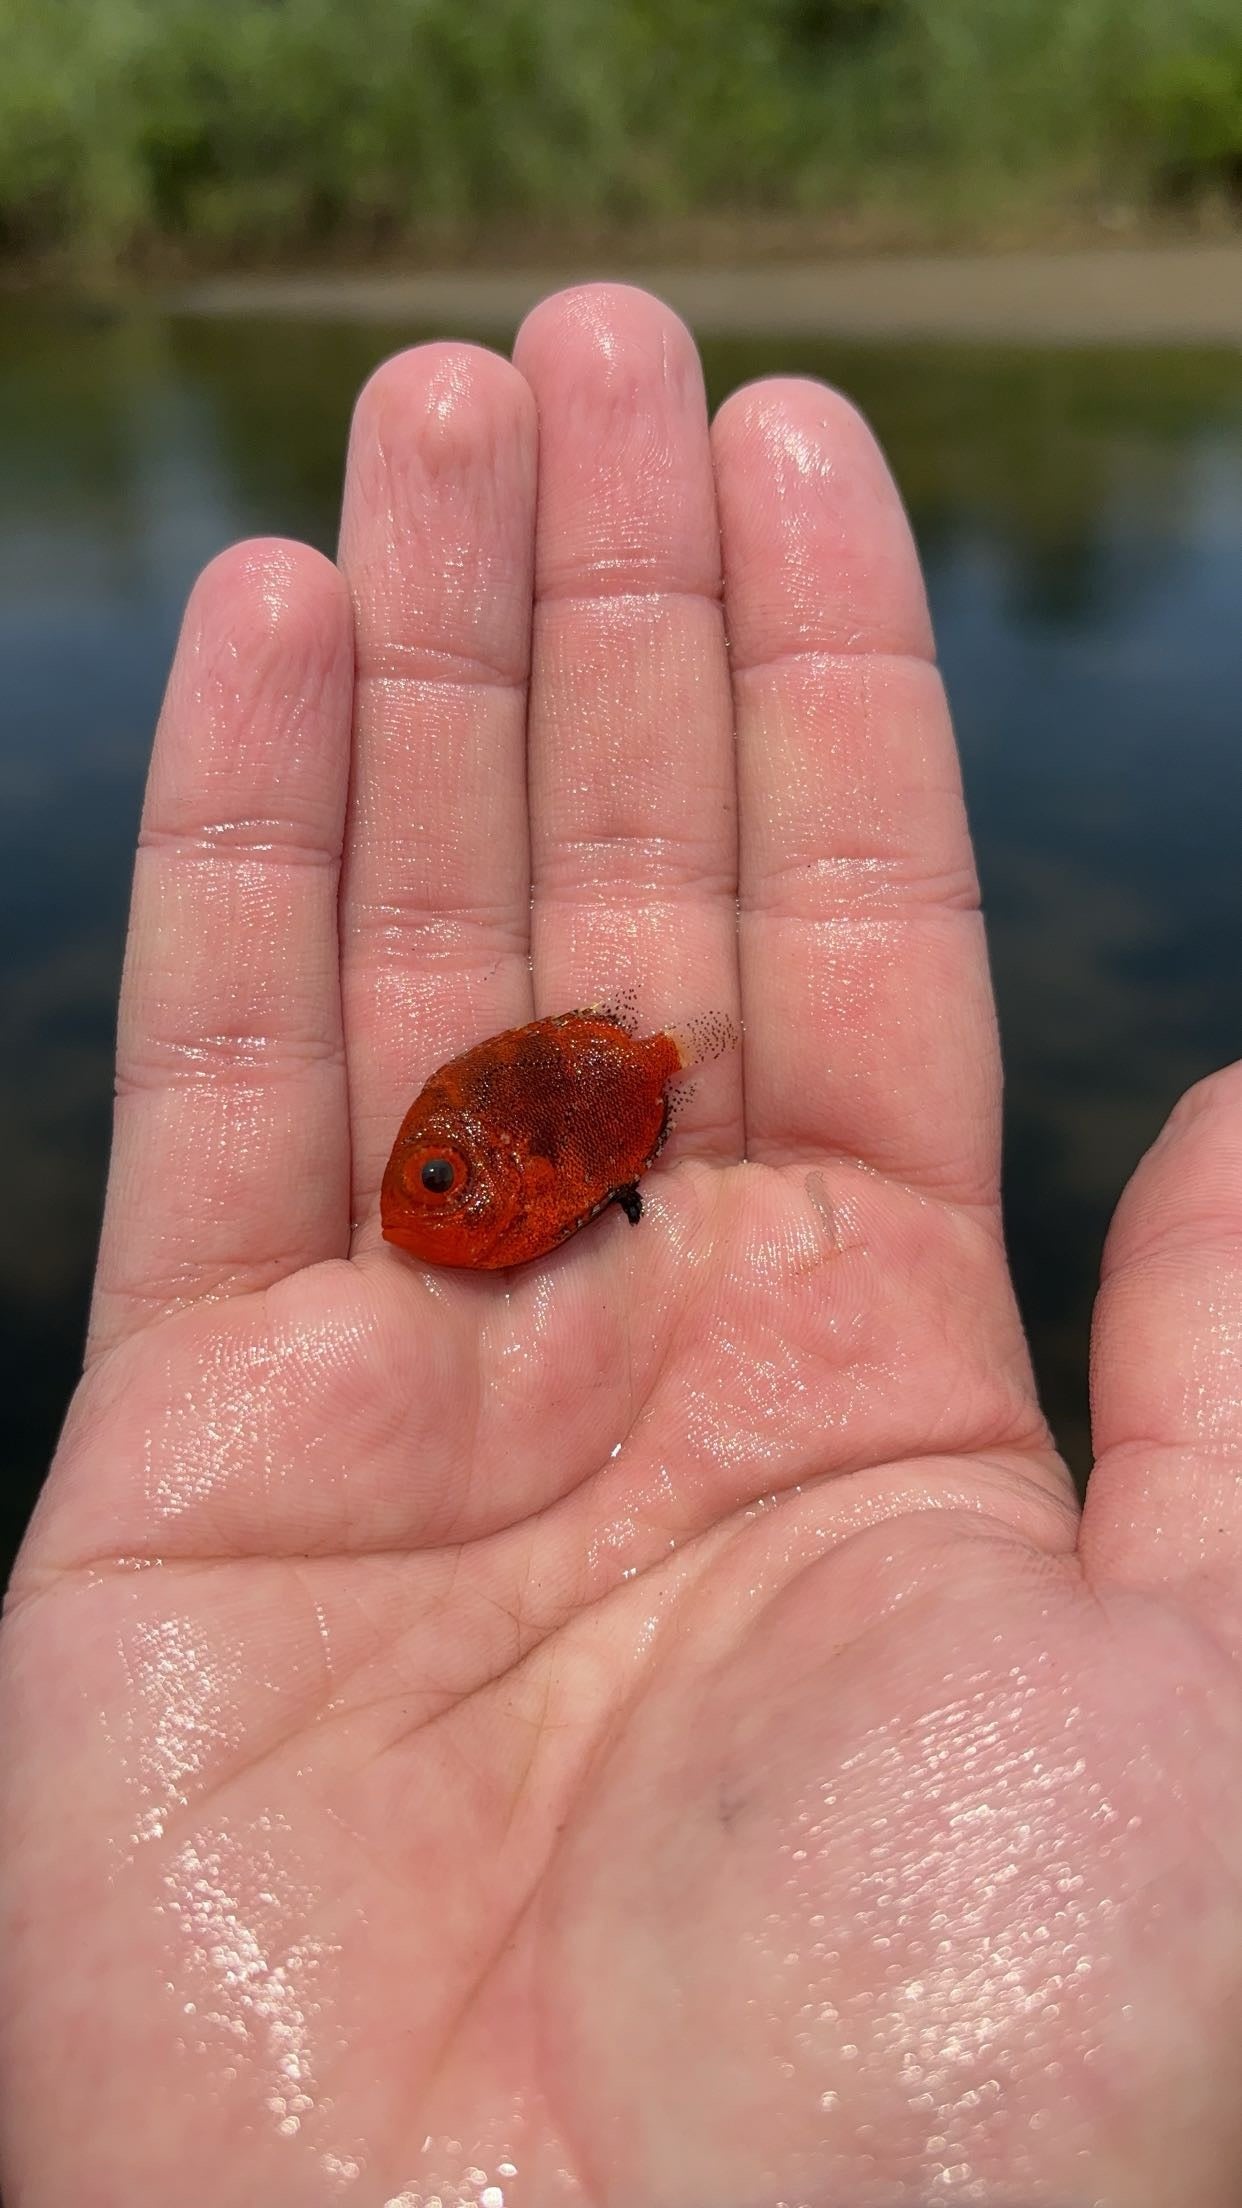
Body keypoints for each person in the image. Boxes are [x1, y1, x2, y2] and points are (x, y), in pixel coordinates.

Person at [1, 281, 1240, 2208]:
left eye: (436, 1195)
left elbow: (537, 1139)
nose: (433, 1215)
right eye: (436, 1197)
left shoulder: (565, 1123)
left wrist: (609, 1118)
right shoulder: (492, 1162)